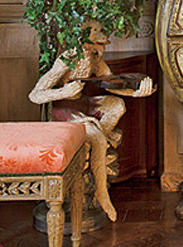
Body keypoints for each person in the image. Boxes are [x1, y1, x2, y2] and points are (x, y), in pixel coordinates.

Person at [29, 21, 154, 222]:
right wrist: (63, 92)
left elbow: (111, 84)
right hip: (64, 110)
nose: (103, 46)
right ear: (85, 39)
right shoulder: (67, 59)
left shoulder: (94, 59)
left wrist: (136, 93)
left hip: (82, 104)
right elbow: (34, 95)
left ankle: (94, 140)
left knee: (117, 105)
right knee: (98, 139)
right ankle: (101, 192)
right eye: (99, 39)